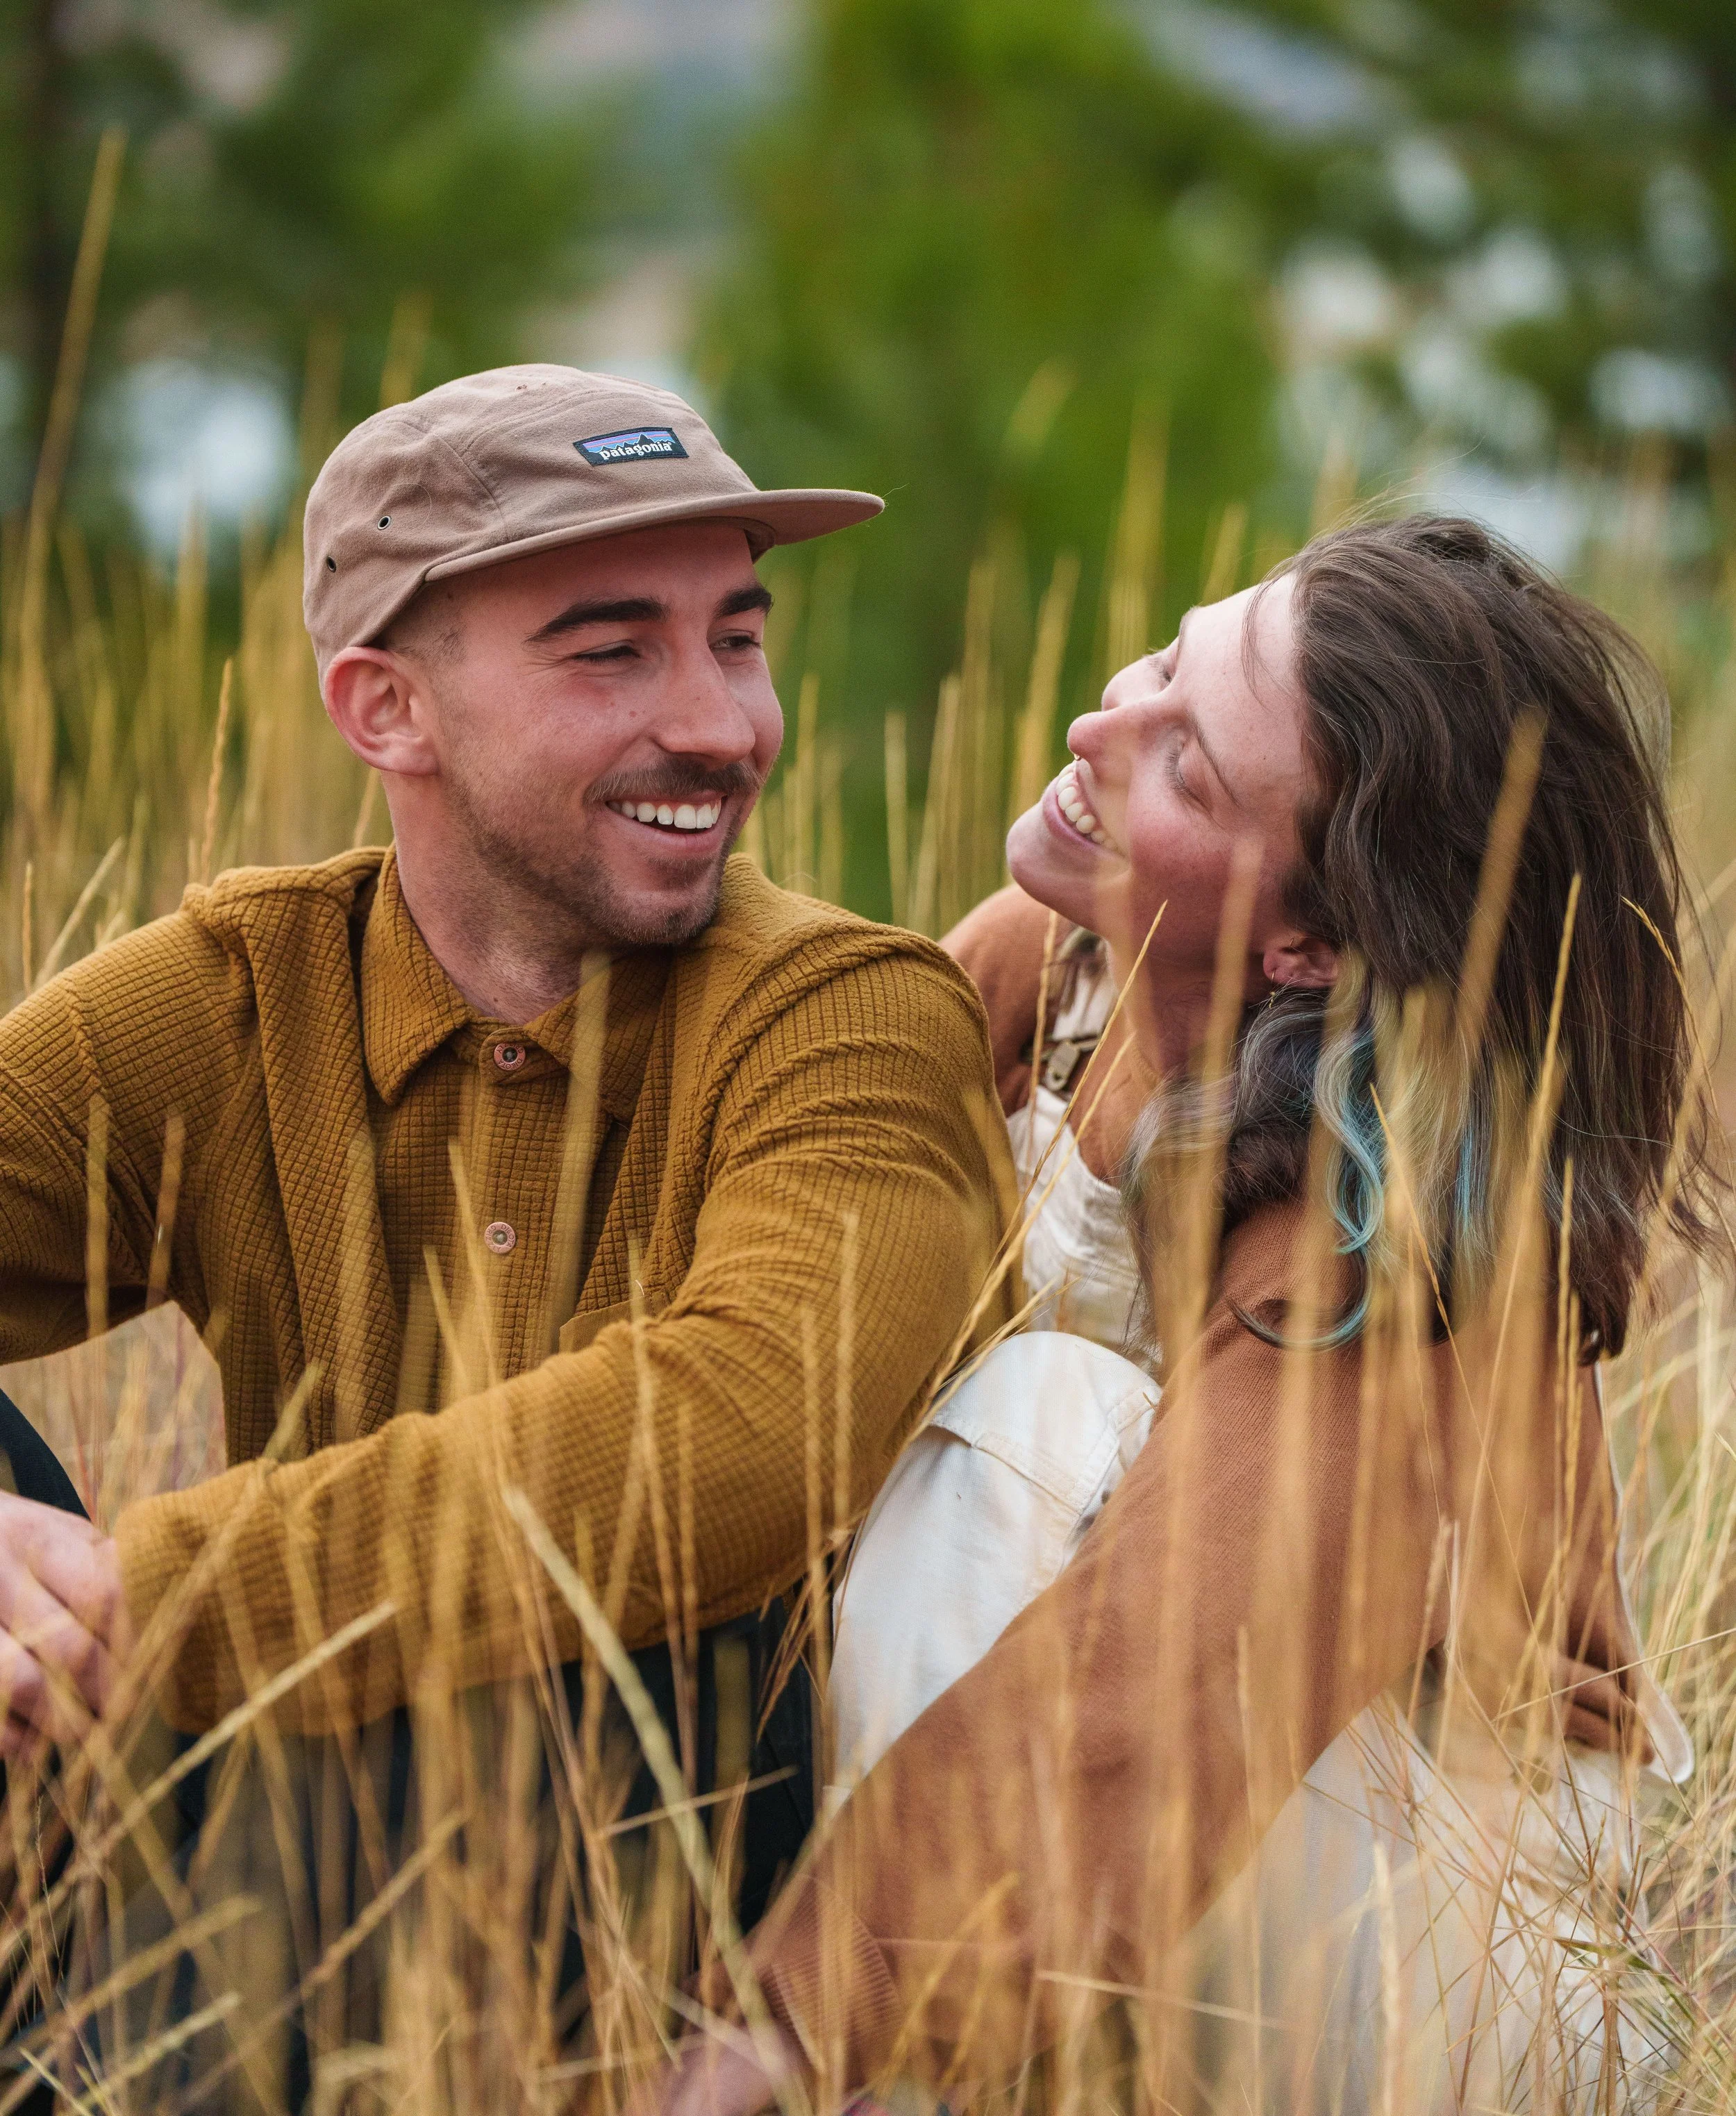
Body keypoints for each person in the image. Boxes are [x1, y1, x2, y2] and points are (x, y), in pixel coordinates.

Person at [0, 367, 1015, 2077]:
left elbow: (730, 1439)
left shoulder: (844, 1015)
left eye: (736, 637)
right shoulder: (241, 996)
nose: (719, 722)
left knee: (597, 1661)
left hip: (673, 1876)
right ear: (385, 706)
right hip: (268, 1825)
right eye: (610, 651)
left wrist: (136, 1596)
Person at [650, 516, 1718, 2115]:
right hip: (1164, 1875)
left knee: (1027, 1436)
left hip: (1463, 1975)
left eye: (1188, 766)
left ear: (1307, 941)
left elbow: (1142, 1691)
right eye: (1162, 658)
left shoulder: (1393, 1230)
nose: (1095, 727)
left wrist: (781, 2046)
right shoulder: (1057, 967)